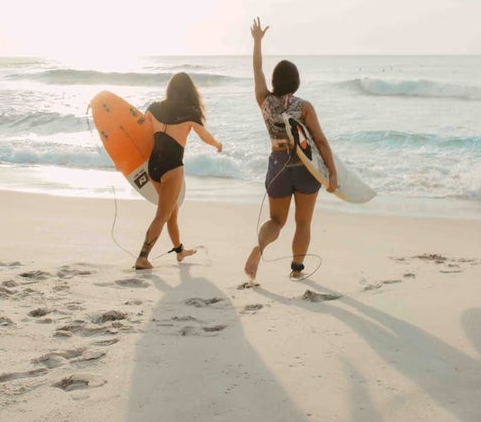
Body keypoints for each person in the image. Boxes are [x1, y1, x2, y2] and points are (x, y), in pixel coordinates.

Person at [244, 18, 338, 281]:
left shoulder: (264, 101)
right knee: (303, 222)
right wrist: (332, 172)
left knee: (276, 221)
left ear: (274, 81)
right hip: (305, 167)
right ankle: (297, 270)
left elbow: (257, 69)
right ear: (296, 82)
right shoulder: (304, 106)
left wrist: (257, 42)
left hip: (278, 165)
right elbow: (319, 140)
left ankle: (259, 248)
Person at [135, 72, 223, 270]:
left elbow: (140, 128)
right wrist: (218, 144)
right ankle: (142, 257)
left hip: (153, 167)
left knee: (171, 211)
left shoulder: (154, 107)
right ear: (189, 91)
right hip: (172, 168)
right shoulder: (189, 113)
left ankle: (179, 251)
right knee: (162, 214)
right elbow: (205, 136)